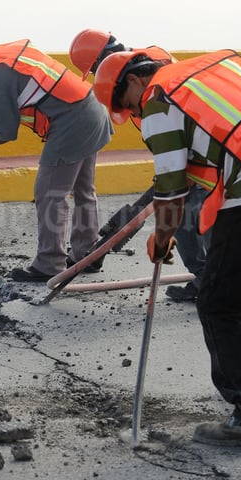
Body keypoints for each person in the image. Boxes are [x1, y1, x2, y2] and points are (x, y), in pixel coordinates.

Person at [93, 48, 241, 449]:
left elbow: (170, 187)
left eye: (126, 104)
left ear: (133, 82)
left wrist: (163, 237)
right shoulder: (215, 70)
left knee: (219, 304)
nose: (133, 114)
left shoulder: (158, 99)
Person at [0, 37, 113, 282]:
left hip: (71, 121)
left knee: (49, 192)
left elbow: (6, 130)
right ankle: (88, 253)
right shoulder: (5, 55)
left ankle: (50, 263)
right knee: (83, 189)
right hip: (90, 108)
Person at [69, 29, 210, 302]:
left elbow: (176, 115)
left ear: (107, 58)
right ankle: (206, 279)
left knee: (195, 215)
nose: (101, 77)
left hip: (200, 153)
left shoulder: (147, 74)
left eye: (98, 68)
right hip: (185, 151)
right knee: (177, 214)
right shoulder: (143, 67)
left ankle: (216, 286)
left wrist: (176, 178)